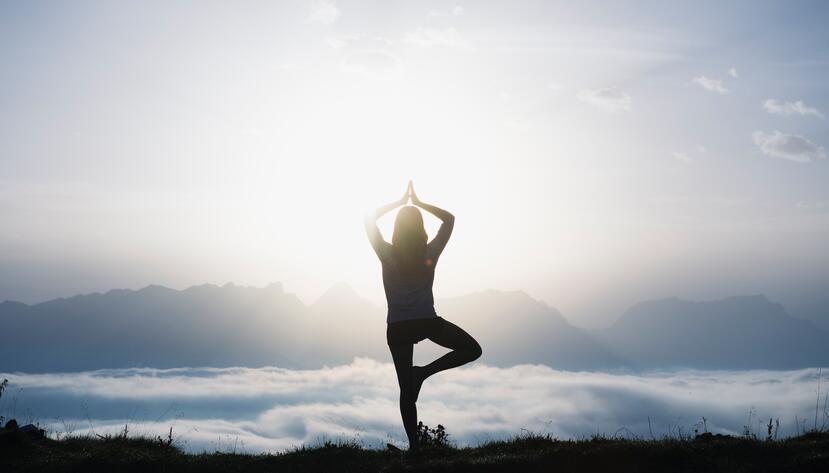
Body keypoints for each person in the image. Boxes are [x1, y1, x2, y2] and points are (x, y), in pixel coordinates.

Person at [364, 180, 482, 451]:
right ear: (420, 228)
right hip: (427, 322)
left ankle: (415, 447)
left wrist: (398, 203)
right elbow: (449, 220)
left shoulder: (386, 253)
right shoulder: (429, 252)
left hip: (397, 328)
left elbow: (368, 218)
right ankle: (424, 374)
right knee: (472, 349)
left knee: (406, 392)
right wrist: (417, 203)